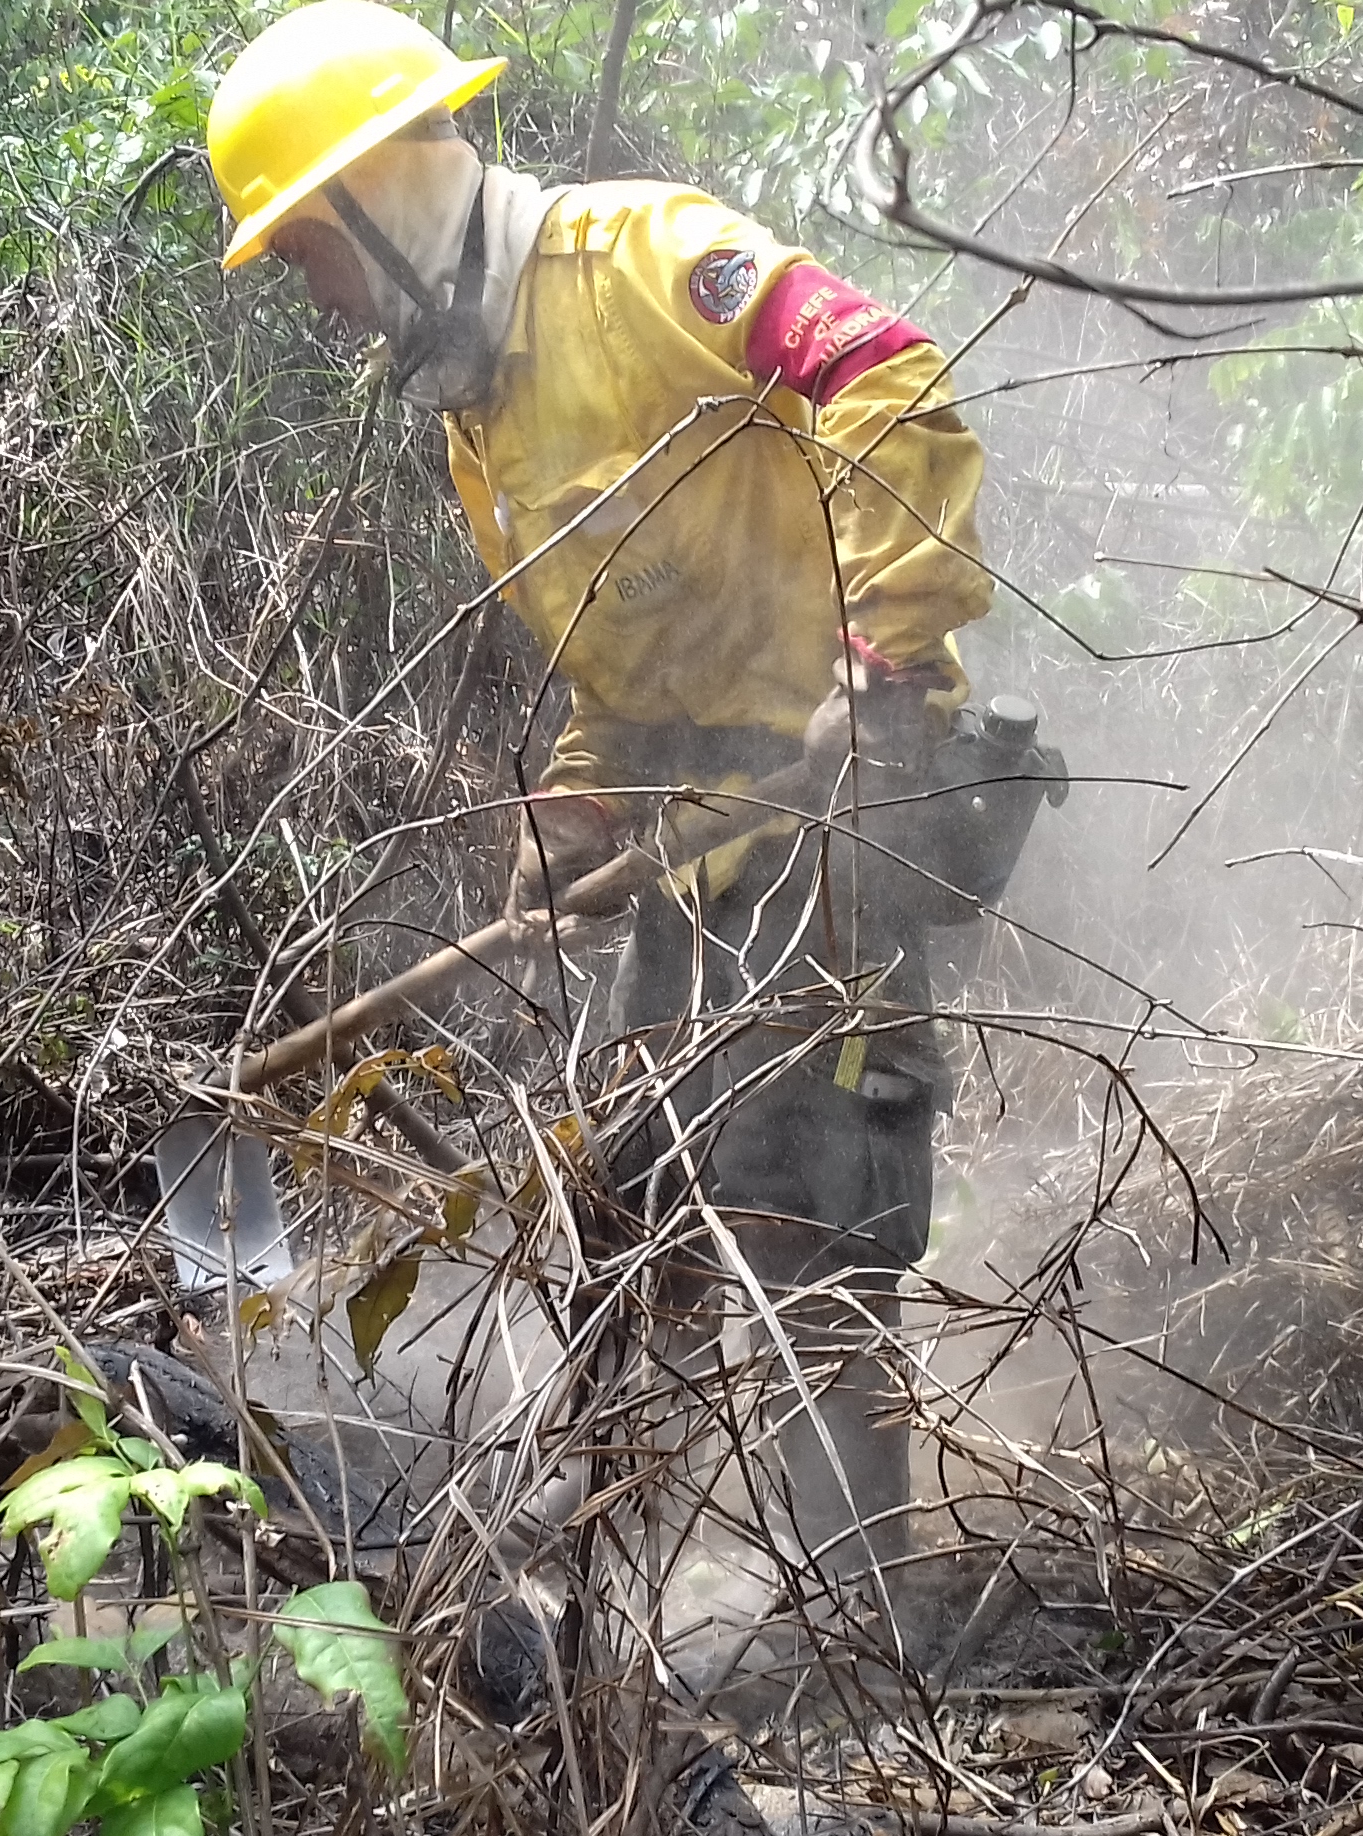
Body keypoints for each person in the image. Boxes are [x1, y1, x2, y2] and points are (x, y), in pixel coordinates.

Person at [205, 0, 996, 1647]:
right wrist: (573, 803)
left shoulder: (644, 257)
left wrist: (887, 646)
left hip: (832, 822)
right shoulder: (473, 418)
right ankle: (611, 1597)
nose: (316, 298)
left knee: (802, 1226)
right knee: (632, 1221)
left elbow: (883, 370)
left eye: (308, 255)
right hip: (695, 847)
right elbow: (612, 652)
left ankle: (879, 1630)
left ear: (383, 196)